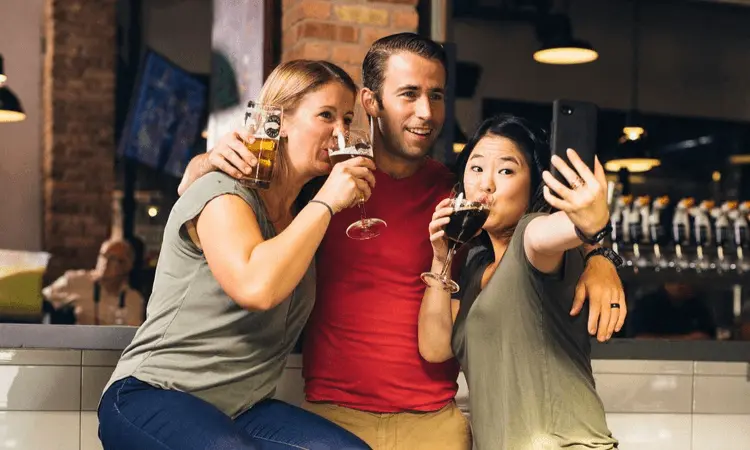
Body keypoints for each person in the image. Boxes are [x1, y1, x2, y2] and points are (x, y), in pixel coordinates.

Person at [178, 33, 626, 450]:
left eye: (436, 95)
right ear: (371, 101)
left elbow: (537, 233)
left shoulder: (461, 194)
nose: (426, 112)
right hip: (333, 421)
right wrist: (204, 162)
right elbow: (223, 206)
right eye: (409, 94)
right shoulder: (323, 185)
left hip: (435, 425)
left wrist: (599, 254)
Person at [98, 60, 374, 450]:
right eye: (326, 115)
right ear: (278, 120)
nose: (341, 133)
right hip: (151, 395)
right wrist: (328, 200)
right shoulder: (224, 191)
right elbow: (255, 287)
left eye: (348, 119)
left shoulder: (301, 214)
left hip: (242, 409)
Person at [419, 114, 619, 449]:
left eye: (506, 171)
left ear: (534, 186)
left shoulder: (530, 236)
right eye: (476, 168)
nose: (486, 184)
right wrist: (442, 257)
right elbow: (435, 348)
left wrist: (590, 224)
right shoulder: (474, 266)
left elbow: (553, 233)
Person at [42, 238, 144, 326]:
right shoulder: (75, 280)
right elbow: (42, 299)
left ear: (127, 265)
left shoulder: (133, 299)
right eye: (103, 255)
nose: (105, 262)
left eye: (112, 258)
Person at [630, 282, 716, 340]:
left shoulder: (698, 307)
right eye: (675, 280)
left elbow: (707, 338)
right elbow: (640, 339)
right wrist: (686, 339)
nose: (680, 285)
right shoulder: (647, 304)